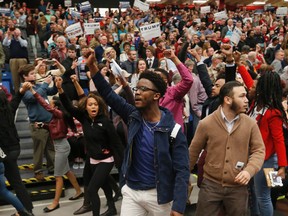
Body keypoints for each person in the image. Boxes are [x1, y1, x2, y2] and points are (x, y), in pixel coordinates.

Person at [87, 48, 190, 216]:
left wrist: (178, 205)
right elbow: (108, 94)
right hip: (132, 193)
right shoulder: (133, 116)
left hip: (160, 196)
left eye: (143, 89)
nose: (138, 93)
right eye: (137, 89)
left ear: (156, 96)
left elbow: (182, 170)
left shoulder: (173, 130)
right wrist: (92, 67)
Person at [189, 81, 265, 216]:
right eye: (242, 96)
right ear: (228, 99)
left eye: (246, 96)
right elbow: (193, 153)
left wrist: (249, 171)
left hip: (238, 189)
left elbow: (259, 151)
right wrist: (182, 180)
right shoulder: (206, 123)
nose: (247, 100)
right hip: (210, 186)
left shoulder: (251, 124)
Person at [57, 77, 124, 216]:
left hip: (106, 160)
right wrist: (60, 89)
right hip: (93, 159)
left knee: (92, 190)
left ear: (99, 106)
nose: (93, 107)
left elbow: (116, 143)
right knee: (105, 186)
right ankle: (112, 209)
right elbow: (69, 107)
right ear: (86, 107)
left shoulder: (105, 122)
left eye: (95, 104)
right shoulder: (84, 118)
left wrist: (122, 162)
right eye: (90, 104)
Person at [29, 84, 83, 213]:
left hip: (62, 147)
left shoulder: (59, 114)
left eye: (51, 103)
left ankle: (55, 202)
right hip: (61, 146)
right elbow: (55, 129)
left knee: (58, 176)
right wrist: (44, 125)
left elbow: (44, 105)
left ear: (56, 106)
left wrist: (33, 92)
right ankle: (79, 191)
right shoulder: (55, 118)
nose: (49, 104)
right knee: (66, 172)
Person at [249, 71, 288, 216]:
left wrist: (282, 167)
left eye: (258, 83)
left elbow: (279, 140)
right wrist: (238, 65)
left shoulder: (274, 113)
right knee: (254, 194)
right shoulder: (255, 104)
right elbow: (248, 84)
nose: (255, 85)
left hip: (267, 160)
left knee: (263, 197)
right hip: (254, 157)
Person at [0, 83, 34, 216]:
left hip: (5, 153)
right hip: (15, 149)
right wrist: (21, 91)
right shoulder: (8, 110)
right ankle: (27, 209)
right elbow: (15, 100)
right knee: (17, 182)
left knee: (13, 184)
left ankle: (25, 211)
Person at [19, 64, 56, 181]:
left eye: (34, 73)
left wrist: (56, 83)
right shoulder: (23, 88)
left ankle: (52, 167)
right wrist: (45, 83)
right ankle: (38, 170)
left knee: (50, 148)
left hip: (48, 121)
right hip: (37, 124)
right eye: (31, 74)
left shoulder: (39, 85)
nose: (34, 75)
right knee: (39, 149)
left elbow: (51, 91)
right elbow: (33, 97)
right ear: (24, 77)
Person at [2, 28, 28, 93]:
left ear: (20, 33)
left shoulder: (23, 40)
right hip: (13, 60)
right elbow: (4, 43)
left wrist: (18, 36)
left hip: (22, 60)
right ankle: (17, 92)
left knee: (22, 76)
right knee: (15, 77)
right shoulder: (11, 40)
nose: (15, 33)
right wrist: (8, 35)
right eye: (15, 32)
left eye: (17, 32)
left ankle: (24, 91)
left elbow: (24, 44)